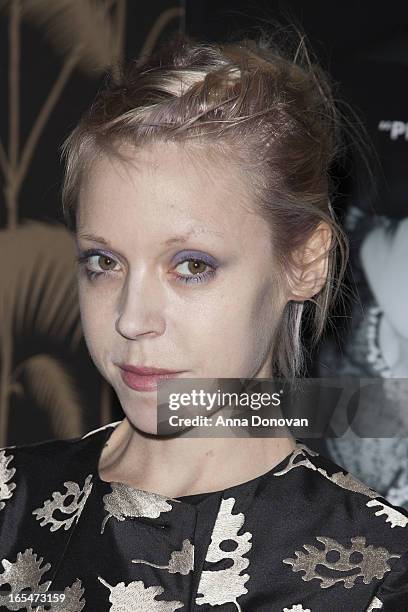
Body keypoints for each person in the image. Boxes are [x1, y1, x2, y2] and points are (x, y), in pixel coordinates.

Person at [1, 29, 407, 612]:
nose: (131, 320)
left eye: (191, 265)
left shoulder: (381, 572)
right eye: (104, 262)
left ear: (304, 264)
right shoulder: (10, 502)